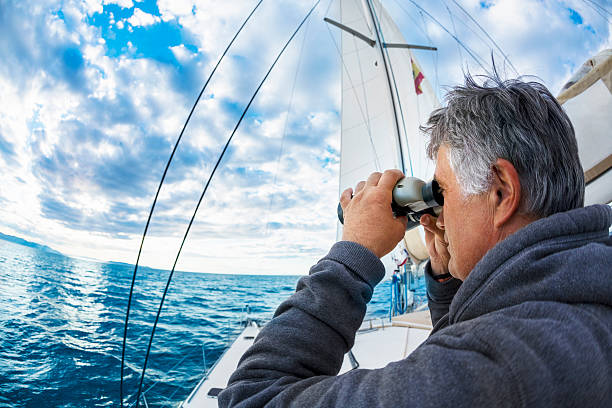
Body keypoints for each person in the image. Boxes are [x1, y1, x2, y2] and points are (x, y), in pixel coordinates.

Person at [218, 75, 612, 407]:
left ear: (501, 192)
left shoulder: (492, 367)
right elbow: (476, 337)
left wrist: (352, 255)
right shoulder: (577, 307)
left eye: (441, 191)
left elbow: (253, 396)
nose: (436, 212)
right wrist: (446, 277)